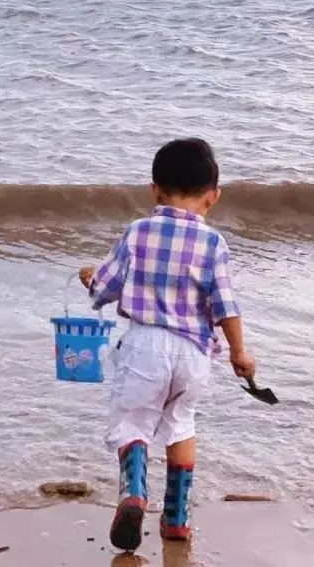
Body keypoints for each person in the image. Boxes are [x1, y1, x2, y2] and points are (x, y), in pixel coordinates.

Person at [78, 137, 255, 550]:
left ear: (154, 189)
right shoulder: (214, 244)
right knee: (181, 424)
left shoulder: (138, 232)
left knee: (132, 422)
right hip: (194, 355)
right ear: (213, 197)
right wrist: (239, 351)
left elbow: (110, 283)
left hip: (145, 347)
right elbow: (225, 304)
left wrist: (92, 278)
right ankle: (176, 520)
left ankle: (135, 493)